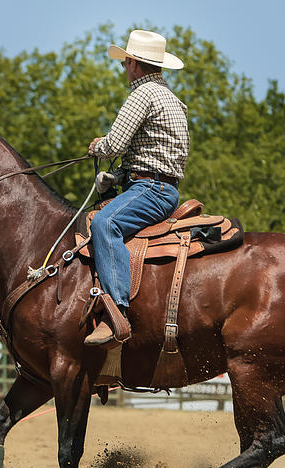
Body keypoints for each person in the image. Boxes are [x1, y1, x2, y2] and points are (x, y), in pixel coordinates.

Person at [85, 29, 190, 346]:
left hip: (150, 190)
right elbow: (155, 156)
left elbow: (114, 144)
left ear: (132, 63)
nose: (124, 69)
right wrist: (117, 179)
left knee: (105, 222)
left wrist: (97, 147)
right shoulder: (172, 99)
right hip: (159, 188)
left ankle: (116, 311)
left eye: (124, 63)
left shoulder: (141, 95)